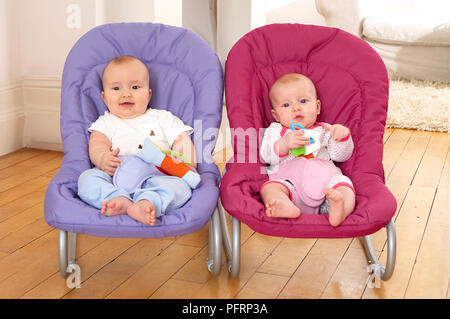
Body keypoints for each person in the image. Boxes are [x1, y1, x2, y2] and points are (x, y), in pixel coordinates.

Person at [77, 55, 196, 226]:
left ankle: (147, 202)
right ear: (104, 97)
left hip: (156, 173)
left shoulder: (162, 118)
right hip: (115, 173)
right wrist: (103, 158)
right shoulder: (106, 121)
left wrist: (187, 162)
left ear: (148, 94)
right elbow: (97, 143)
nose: (126, 94)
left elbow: (181, 139)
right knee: (87, 179)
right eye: (116, 88)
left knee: (181, 188)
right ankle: (118, 199)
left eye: (134, 87)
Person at [259, 73, 355, 227]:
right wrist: (284, 144)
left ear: (317, 107)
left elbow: (341, 156)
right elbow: (266, 156)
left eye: (303, 101)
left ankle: (339, 209)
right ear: (275, 115)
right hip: (290, 185)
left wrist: (342, 138)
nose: (296, 108)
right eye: (286, 105)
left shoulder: (324, 130)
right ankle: (285, 205)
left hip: (326, 185)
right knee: (270, 188)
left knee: (344, 184)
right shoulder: (276, 131)